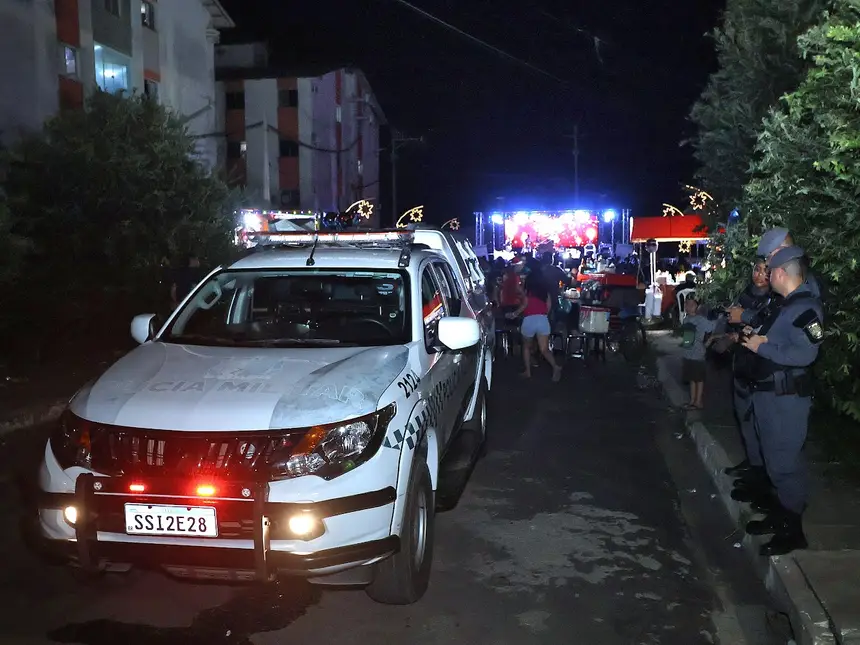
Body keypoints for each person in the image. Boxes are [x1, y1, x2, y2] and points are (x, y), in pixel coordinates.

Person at [740, 246, 824, 556]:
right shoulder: (783, 306)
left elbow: (806, 353)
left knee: (785, 466)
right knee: (774, 462)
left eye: (769, 270)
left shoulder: (805, 309)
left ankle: (793, 530)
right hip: (769, 396)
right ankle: (780, 516)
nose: (765, 275)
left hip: (786, 399)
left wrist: (762, 348)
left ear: (780, 273)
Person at [720, 259, 780, 507]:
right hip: (742, 365)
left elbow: (768, 326)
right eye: (757, 269)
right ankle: (753, 467)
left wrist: (742, 325)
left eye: (766, 271)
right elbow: (730, 320)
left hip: (762, 371)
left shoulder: (777, 300)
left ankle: (763, 479)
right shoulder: (745, 293)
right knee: (745, 421)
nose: (760, 275)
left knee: (762, 429)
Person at [728, 227, 822, 325]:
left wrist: (745, 316)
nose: (768, 263)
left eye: (769, 257)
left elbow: (787, 327)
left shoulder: (804, 285)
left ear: (781, 252)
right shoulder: (790, 278)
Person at [507, 269, 562, 382]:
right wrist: (542, 314)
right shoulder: (545, 293)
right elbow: (549, 306)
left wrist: (514, 314)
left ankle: (528, 371)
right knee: (544, 349)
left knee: (526, 347)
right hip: (542, 320)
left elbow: (524, 305)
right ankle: (556, 367)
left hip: (529, 320)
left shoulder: (527, 292)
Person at [679, 296, 718, 409]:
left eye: (691, 304)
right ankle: (692, 401)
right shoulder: (686, 319)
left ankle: (698, 401)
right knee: (692, 378)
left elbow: (712, 326)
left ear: (697, 306)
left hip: (698, 354)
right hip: (688, 354)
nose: (688, 307)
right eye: (686, 304)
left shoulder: (700, 320)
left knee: (699, 379)